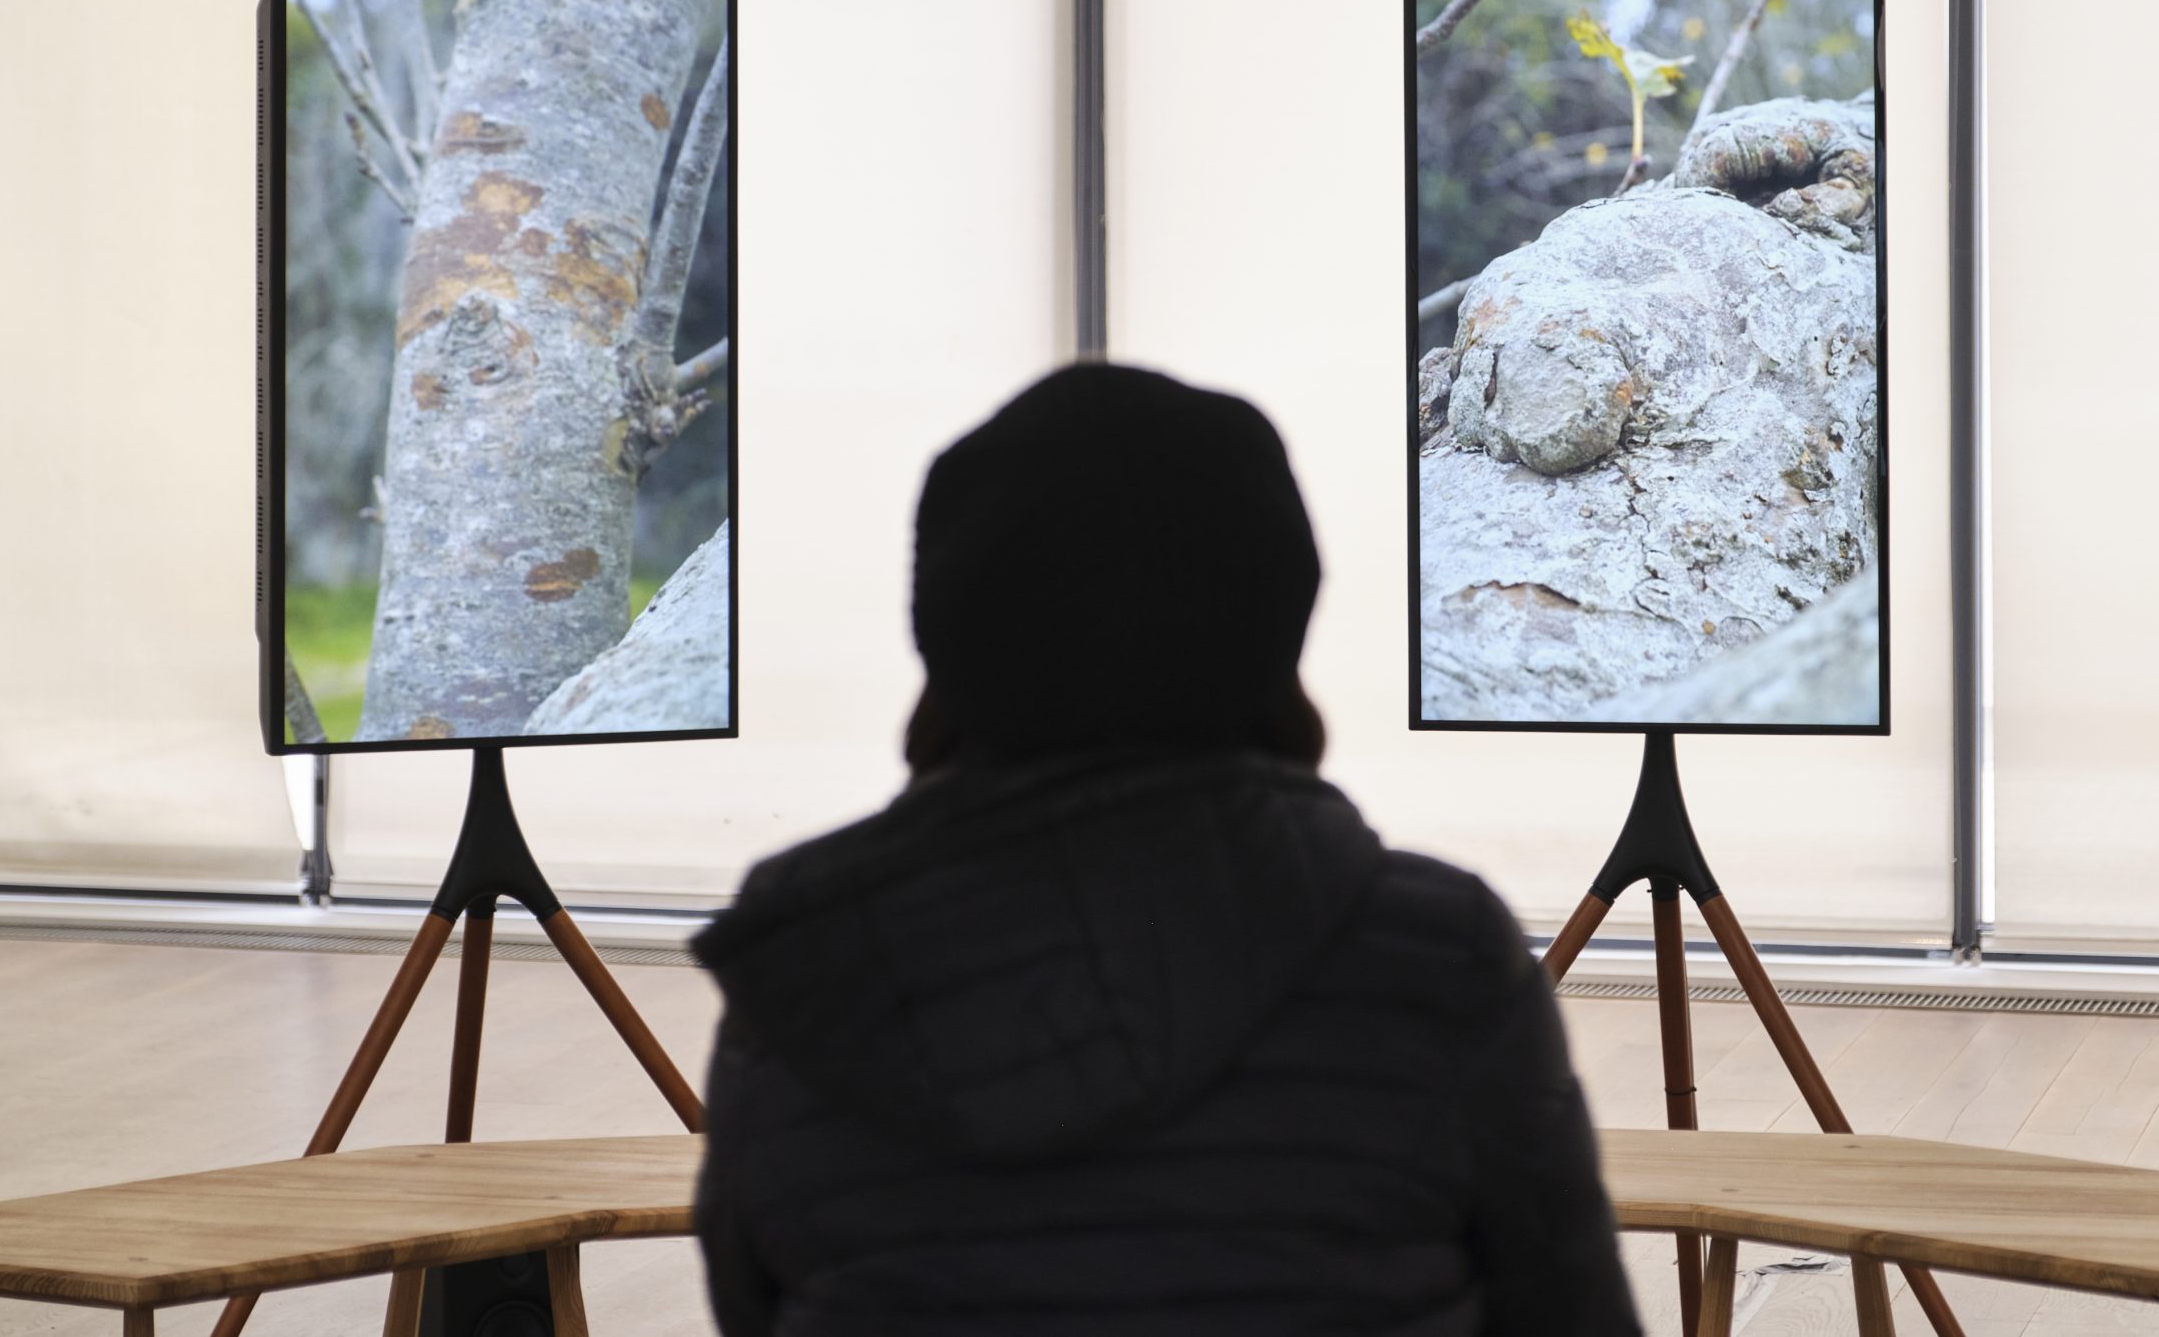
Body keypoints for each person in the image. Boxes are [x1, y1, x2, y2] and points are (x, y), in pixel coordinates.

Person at [692, 363, 1642, 1335]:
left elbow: (750, 1305)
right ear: (1274, 615)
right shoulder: (1435, 952)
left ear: (949, 629)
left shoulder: (809, 953)